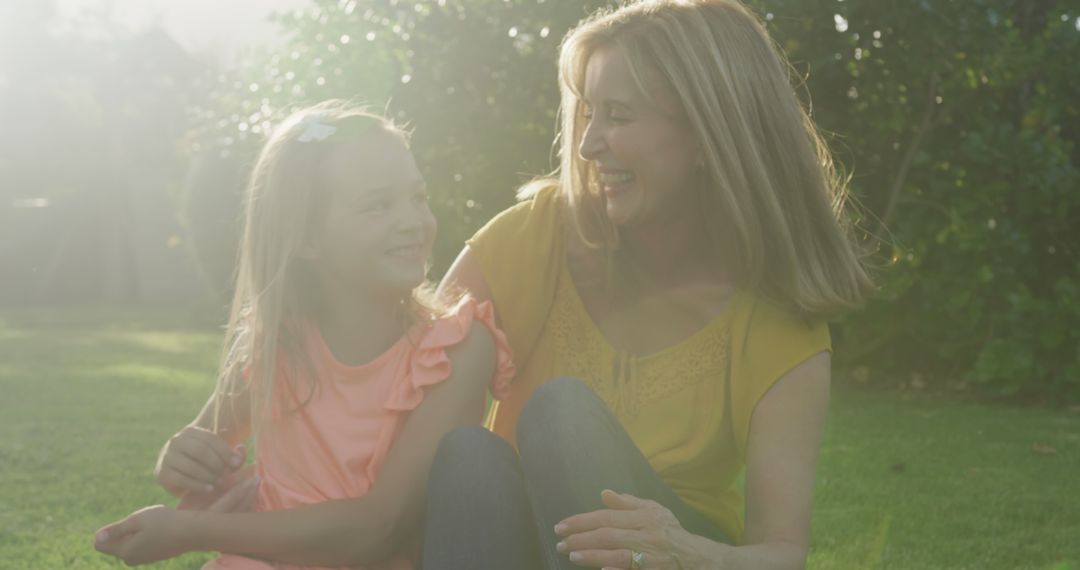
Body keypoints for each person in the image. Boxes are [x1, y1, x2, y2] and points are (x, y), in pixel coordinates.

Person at [422, 1, 875, 568]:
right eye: (588, 114)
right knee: (469, 455)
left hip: (676, 556)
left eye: (618, 115)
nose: (589, 146)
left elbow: (781, 553)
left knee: (560, 413)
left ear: (709, 132)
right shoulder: (534, 237)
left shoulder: (779, 312)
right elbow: (404, 385)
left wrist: (679, 548)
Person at [93, 101, 514, 569]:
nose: (413, 221)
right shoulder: (274, 344)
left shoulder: (456, 348)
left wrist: (191, 530)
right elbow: (198, 452)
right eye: (378, 205)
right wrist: (178, 458)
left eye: (418, 197)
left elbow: (379, 528)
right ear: (307, 239)